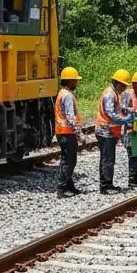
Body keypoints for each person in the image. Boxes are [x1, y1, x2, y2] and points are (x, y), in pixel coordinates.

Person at [96, 69, 133, 194]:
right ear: (117, 83)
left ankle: (106, 184)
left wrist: (129, 110)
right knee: (108, 160)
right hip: (106, 131)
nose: (124, 88)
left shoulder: (113, 93)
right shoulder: (110, 94)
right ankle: (106, 186)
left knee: (106, 159)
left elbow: (116, 108)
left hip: (107, 131)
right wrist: (123, 120)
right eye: (123, 85)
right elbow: (110, 113)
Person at [54, 66, 84, 197]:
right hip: (67, 133)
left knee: (67, 160)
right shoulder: (67, 96)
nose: (76, 83)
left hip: (62, 132)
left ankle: (70, 187)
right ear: (70, 81)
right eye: (75, 80)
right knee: (69, 161)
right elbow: (70, 117)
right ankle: (62, 189)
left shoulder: (61, 93)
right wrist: (80, 134)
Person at [120, 70, 137, 186]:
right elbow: (123, 109)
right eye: (134, 83)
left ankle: (134, 179)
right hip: (129, 130)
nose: (135, 86)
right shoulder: (128, 94)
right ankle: (132, 179)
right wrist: (135, 111)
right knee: (133, 154)